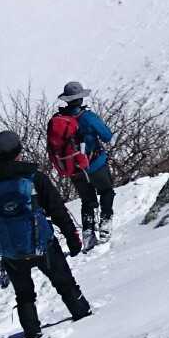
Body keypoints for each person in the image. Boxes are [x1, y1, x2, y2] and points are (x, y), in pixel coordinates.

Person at [0, 130, 92, 338]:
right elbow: (56, 209)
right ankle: (83, 316)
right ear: (18, 151)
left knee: (24, 295)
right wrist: (72, 237)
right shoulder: (33, 177)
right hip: (43, 244)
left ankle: (32, 333)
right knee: (65, 283)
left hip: (11, 251)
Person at [48, 81, 115, 250]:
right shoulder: (87, 117)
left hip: (74, 168)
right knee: (106, 191)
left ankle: (88, 234)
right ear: (80, 99)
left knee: (87, 201)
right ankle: (105, 225)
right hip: (95, 164)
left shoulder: (59, 120)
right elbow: (107, 136)